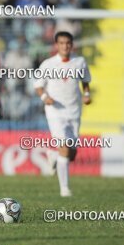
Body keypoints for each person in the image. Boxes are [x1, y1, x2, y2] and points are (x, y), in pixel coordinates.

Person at [34, 31, 92, 197]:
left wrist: (86, 95)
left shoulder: (79, 62)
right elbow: (38, 85)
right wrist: (45, 97)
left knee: (71, 153)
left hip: (74, 112)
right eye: (61, 43)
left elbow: (85, 81)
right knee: (65, 148)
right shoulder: (48, 64)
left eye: (68, 43)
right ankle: (64, 189)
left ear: (72, 45)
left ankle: (53, 156)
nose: (65, 46)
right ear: (56, 45)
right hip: (55, 112)